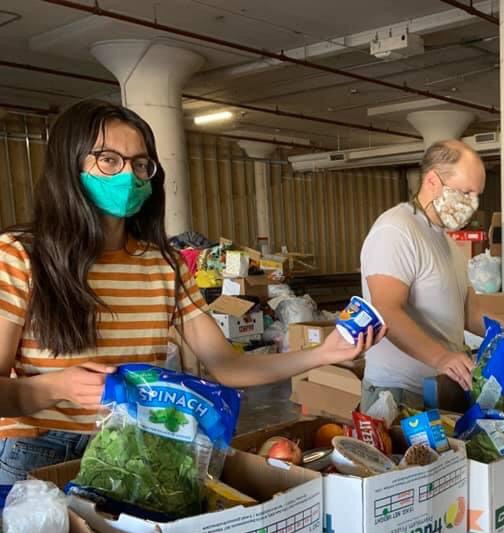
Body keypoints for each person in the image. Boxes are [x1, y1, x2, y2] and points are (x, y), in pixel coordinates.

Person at [0, 99, 384, 487]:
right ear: (70, 167)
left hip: (135, 450)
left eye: (139, 164)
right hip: (44, 454)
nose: (128, 176)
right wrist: (55, 387)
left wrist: (323, 353)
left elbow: (227, 366)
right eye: (109, 160)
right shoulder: (19, 257)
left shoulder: (164, 265)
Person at [360, 140, 504, 409]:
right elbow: (386, 310)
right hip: (399, 394)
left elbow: (473, 316)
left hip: (441, 390)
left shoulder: (447, 243)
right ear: (432, 182)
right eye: (465, 192)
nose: (473, 203)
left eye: (476, 195)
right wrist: (441, 358)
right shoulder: (396, 230)